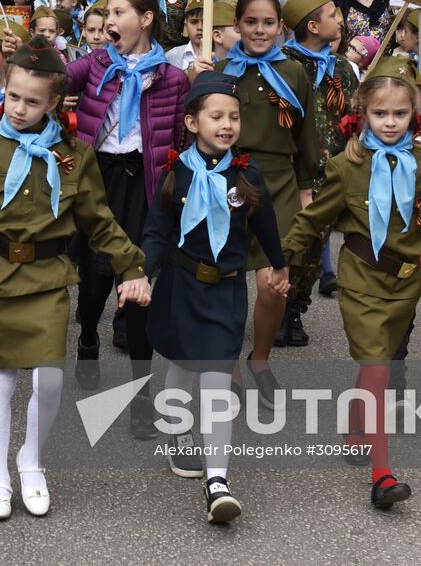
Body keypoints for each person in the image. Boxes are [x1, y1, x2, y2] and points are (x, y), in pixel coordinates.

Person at [0, 37, 151, 521]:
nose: (20, 108)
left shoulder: (75, 156)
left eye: (32, 101)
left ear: (53, 103)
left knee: (48, 381)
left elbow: (101, 221)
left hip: (47, 278)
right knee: (1, 381)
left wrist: (133, 268)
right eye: (14, 96)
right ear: (4, 87)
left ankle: (32, 460)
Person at [284, 56, 421, 508]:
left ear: (415, 111)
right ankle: (382, 475)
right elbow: (311, 223)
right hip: (361, 281)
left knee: (373, 368)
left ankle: (355, 425)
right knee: (379, 368)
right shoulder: (347, 166)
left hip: (405, 286)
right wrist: (280, 265)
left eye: (400, 114)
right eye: (380, 114)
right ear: (364, 112)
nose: (389, 122)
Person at [142, 71, 288, 519]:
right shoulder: (174, 173)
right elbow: (155, 232)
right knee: (182, 365)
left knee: (216, 381)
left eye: (234, 117)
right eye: (216, 116)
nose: (227, 125)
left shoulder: (247, 173)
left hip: (226, 290)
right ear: (192, 123)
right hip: (181, 285)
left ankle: (217, 480)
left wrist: (280, 266)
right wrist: (139, 274)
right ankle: (178, 434)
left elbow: (266, 228)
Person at [64, 0, 188, 436]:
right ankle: (88, 337)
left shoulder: (173, 78)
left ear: (147, 18)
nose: (110, 20)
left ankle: (140, 396)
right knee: (95, 279)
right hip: (99, 179)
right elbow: (55, 80)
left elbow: (180, 140)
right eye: (107, 12)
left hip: (146, 185)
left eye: (119, 11)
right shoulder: (97, 63)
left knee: (138, 287)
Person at [210, 0, 318, 408]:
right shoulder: (220, 70)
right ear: (236, 26)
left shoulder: (293, 72)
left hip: (281, 184)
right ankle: (231, 366)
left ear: (280, 28)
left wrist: (308, 190)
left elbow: (306, 136)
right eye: (251, 22)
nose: (259, 30)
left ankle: (260, 360)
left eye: (268, 22)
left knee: (275, 283)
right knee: (230, 279)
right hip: (229, 179)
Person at [278, 0, 358, 346]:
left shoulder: (342, 67)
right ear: (312, 25)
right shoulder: (281, 63)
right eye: (331, 14)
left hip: (330, 171)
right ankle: (276, 306)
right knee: (286, 243)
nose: (339, 19)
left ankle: (296, 308)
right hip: (290, 169)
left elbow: (353, 114)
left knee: (315, 245)